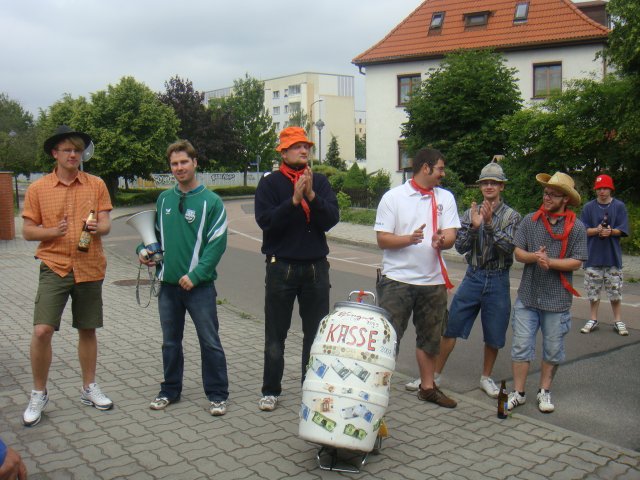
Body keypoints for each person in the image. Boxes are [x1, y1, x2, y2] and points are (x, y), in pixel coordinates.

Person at [21, 125, 113, 427]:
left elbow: (106, 223)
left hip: (89, 266)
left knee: (87, 329)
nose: (73, 154)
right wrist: (52, 231)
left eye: (77, 150)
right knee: (42, 331)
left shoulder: (96, 184)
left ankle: (89, 388)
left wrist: (97, 227)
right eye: (67, 150)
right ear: (55, 153)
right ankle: (39, 393)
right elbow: (27, 231)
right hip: (54, 266)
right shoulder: (38, 189)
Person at [138, 140, 229, 416]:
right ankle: (170, 390)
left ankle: (217, 394)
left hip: (199, 287)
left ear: (195, 163)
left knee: (209, 341)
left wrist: (196, 275)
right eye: (174, 164)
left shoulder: (212, 202)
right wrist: (143, 250)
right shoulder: (164, 199)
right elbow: (153, 236)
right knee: (170, 342)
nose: (179, 168)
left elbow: (217, 244)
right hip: (168, 287)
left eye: (184, 162)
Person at [254, 127, 339, 412]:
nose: (303, 151)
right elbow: (266, 222)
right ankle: (270, 390)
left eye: (306, 146)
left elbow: (331, 219)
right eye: (296, 146)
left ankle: (310, 387)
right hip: (282, 267)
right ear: (283, 151)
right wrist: (293, 201)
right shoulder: (270, 183)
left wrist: (311, 195)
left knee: (315, 334)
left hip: (316, 267)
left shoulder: (320, 182)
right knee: (276, 334)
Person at [423, 160, 520, 398]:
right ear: (480, 186)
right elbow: (461, 246)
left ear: (502, 186)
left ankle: (486, 377)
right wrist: (475, 228)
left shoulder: (512, 216)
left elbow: (509, 248)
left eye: (494, 183)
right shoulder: (469, 213)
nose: (489, 186)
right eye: (485, 183)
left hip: (498, 278)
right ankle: (434, 376)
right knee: (451, 326)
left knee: (495, 332)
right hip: (473, 275)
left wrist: (489, 225)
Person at [375, 147, 461, 408]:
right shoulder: (393, 197)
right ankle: (376, 388)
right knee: (388, 337)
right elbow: (382, 239)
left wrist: (442, 240)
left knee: (431, 338)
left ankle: (427, 388)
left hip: (433, 282)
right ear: (426, 167)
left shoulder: (445, 197)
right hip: (397, 280)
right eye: (440, 169)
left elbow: (451, 235)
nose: (443, 174)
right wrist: (408, 239)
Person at [508, 172, 587, 413]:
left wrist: (550, 262)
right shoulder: (530, 220)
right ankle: (519, 392)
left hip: (557, 300)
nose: (547, 197)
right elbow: (518, 252)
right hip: (528, 296)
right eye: (546, 193)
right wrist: (535, 257)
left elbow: (577, 261)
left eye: (553, 194)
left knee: (553, 350)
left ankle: (544, 391)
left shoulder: (577, 227)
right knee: (521, 345)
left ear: (565, 199)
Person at [579, 174, 630, 336]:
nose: (602, 191)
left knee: (615, 291)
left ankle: (618, 320)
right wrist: (597, 230)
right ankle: (593, 318)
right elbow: (582, 230)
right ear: (595, 190)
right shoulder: (588, 207)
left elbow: (623, 229)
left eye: (605, 188)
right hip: (592, 256)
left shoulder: (619, 206)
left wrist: (611, 231)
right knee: (593, 291)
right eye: (599, 188)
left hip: (612, 256)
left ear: (611, 189)